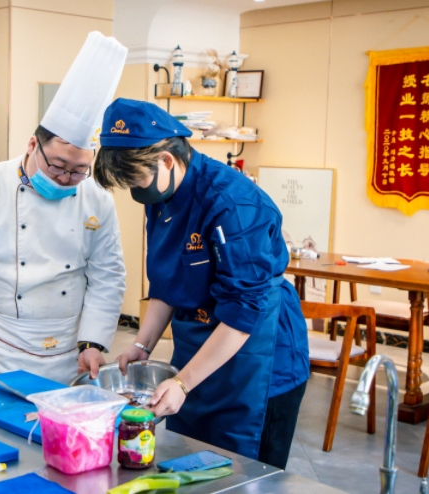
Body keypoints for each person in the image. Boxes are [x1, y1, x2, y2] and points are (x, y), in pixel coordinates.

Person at [94, 98, 310, 470]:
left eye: (136, 180)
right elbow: (168, 281)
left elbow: (243, 310)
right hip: (197, 354)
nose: (134, 191)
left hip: (257, 355)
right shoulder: (162, 194)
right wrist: (142, 346)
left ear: (166, 160)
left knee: (243, 474)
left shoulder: (233, 204)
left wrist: (183, 383)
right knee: (192, 468)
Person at [0, 32, 128, 384]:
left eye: (79, 170)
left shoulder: (97, 198)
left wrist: (93, 342)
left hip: (68, 350)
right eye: (58, 166)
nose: (66, 178)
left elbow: (107, 275)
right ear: (33, 144)